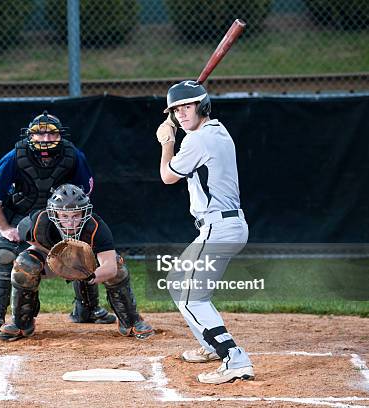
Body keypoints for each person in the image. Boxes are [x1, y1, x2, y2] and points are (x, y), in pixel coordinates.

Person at [0, 111, 115, 335]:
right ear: (29, 136)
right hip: (18, 216)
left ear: (60, 136)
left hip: (57, 217)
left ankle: (87, 309)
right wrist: (4, 228)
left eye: (51, 134)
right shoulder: (15, 156)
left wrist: (72, 226)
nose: (45, 139)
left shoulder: (73, 155)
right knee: (3, 254)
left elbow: (83, 194)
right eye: (38, 134)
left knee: (79, 251)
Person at [155, 80, 254, 384]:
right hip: (225, 225)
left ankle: (234, 359)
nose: (182, 114)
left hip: (218, 227)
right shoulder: (218, 130)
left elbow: (167, 176)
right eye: (176, 109)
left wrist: (166, 141)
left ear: (203, 106)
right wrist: (177, 127)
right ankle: (211, 345)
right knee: (177, 283)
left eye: (188, 107)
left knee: (191, 298)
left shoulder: (197, 141)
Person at [0, 184, 154, 342]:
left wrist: (90, 275)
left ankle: (131, 321)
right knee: (25, 263)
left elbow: (110, 268)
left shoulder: (96, 227)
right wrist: (57, 256)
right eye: (64, 216)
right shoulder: (38, 222)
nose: (70, 222)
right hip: (51, 258)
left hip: (86, 263)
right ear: (54, 213)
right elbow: (28, 238)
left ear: (84, 213)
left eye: (76, 216)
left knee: (118, 265)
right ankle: (21, 323)